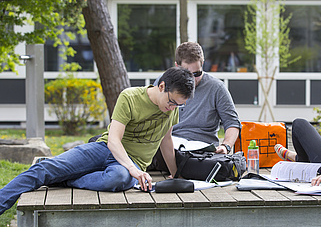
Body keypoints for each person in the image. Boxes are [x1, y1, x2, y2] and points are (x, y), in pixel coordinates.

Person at [0, 67, 195, 216]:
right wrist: (133, 170)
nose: (173, 108)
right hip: (104, 148)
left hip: (131, 163)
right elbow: (113, 140)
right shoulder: (130, 97)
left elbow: (166, 140)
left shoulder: (172, 110)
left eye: (179, 105)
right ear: (162, 86)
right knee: (44, 169)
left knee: (117, 179)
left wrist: (175, 174)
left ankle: (66, 178)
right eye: (172, 102)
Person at [153, 42, 241, 154]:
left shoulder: (216, 87)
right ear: (177, 66)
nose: (192, 80)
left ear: (203, 64)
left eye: (197, 73)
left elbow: (232, 123)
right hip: (169, 146)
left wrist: (226, 146)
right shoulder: (164, 81)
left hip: (202, 151)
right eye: (187, 74)